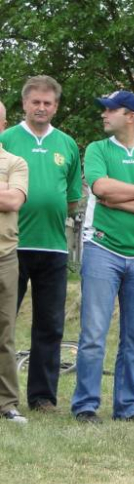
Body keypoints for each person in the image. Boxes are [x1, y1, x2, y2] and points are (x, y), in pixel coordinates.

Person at [71, 91, 134, 423]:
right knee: (93, 335)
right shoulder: (98, 149)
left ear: (130, 115)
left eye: (110, 110)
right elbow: (101, 188)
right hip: (102, 250)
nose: (104, 115)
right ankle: (86, 405)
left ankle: (126, 406)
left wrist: (123, 201)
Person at [0, 76, 82, 413]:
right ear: (24, 104)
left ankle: (43, 396)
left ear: (56, 106)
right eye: (36, 102)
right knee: (4, 324)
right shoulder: (6, 139)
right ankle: (6, 397)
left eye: (48, 103)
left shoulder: (67, 145)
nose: (42, 108)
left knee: (49, 325)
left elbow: (74, 200)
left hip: (53, 247)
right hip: (11, 247)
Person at [0, 100, 30, 423]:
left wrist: (7, 192)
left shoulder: (16, 162)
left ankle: (6, 403)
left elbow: (14, 200)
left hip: (5, 256)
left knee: (4, 332)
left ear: (3, 126)